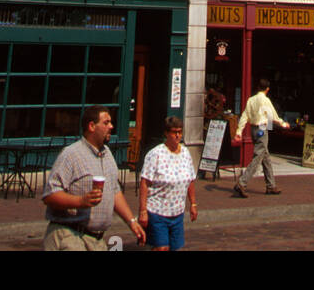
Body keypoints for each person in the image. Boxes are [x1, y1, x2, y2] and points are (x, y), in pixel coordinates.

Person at [41, 104, 145, 250]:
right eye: (106, 122)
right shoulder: (71, 154)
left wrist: (132, 221)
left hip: (96, 241)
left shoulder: (107, 154)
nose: (111, 126)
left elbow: (114, 192)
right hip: (70, 235)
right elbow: (50, 195)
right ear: (91, 126)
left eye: (110, 122)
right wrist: (80, 201)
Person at [137, 116, 197, 252]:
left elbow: (190, 180)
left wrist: (193, 204)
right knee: (162, 248)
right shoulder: (155, 154)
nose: (177, 136)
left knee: (176, 248)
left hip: (177, 212)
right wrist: (143, 211)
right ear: (166, 133)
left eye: (180, 132)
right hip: (157, 211)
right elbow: (145, 182)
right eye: (174, 132)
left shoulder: (186, 153)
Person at [232, 78, 289, 198]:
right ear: (267, 89)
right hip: (262, 128)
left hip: (253, 129)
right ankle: (242, 183)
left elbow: (244, 116)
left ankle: (271, 185)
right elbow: (272, 116)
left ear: (258, 87)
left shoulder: (251, 100)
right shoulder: (265, 100)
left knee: (265, 156)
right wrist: (283, 123)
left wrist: (239, 132)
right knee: (258, 156)